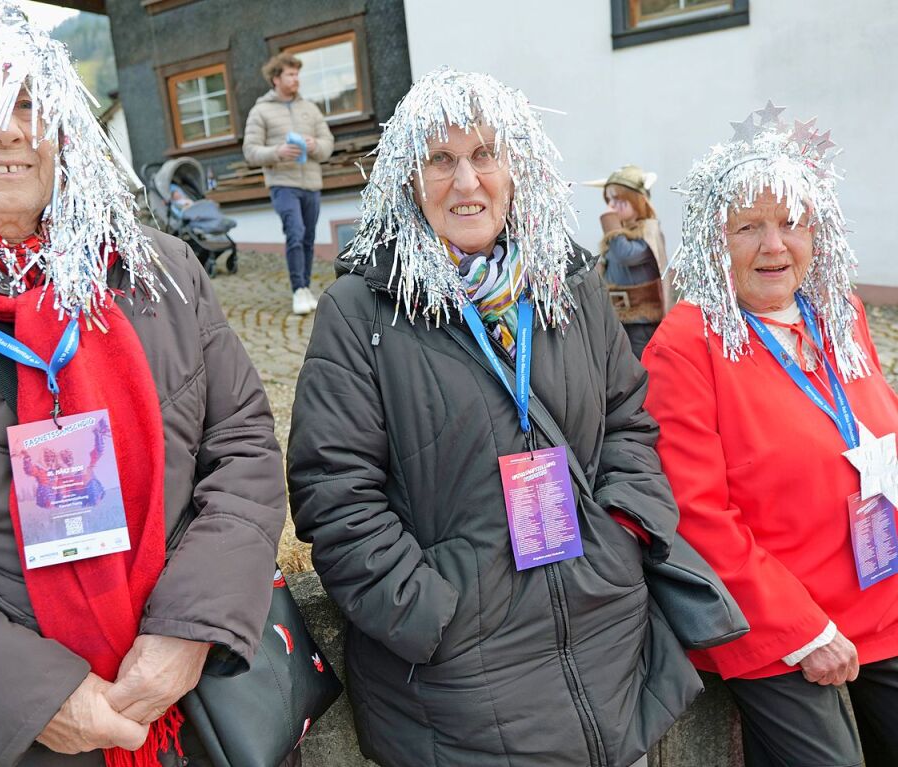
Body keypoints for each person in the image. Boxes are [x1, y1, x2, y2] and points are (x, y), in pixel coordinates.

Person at [0, 2, 288, 765]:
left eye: (29, 102)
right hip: (2, 739)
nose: (6, 128)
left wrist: (193, 630)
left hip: (195, 717)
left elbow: (244, 449)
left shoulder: (161, 271)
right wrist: (34, 697)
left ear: (63, 128)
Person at [287, 68, 701, 767]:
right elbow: (334, 495)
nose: (467, 182)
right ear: (407, 180)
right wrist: (433, 611)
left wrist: (622, 535)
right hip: (459, 690)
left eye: (485, 154)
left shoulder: (569, 284)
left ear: (518, 168)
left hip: (606, 655)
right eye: (440, 160)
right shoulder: (362, 312)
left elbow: (629, 420)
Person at [643, 103, 898, 766]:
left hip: (880, 592)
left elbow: (878, 431)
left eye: (790, 222)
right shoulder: (688, 341)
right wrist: (801, 628)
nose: (774, 245)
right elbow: (695, 515)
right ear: (715, 240)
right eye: (748, 227)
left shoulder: (837, 312)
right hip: (772, 615)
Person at [242, 52, 334, 316]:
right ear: (275, 79)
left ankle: (305, 288)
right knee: (295, 231)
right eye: (290, 74)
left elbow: (328, 144)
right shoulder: (260, 111)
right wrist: (277, 152)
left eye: (297, 74)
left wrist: (316, 145)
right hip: (282, 183)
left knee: (308, 237)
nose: (296, 79)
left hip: (311, 184)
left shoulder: (310, 109)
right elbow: (250, 151)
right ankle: (297, 291)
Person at [584, 165, 669, 357]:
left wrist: (610, 224)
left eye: (620, 200)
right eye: (610, 199)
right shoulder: (619, 235)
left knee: (640, 365)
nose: (612, 206)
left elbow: (624, 255)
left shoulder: (648, 232)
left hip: (642, 320)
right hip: (617, 318)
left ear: (637, 201)